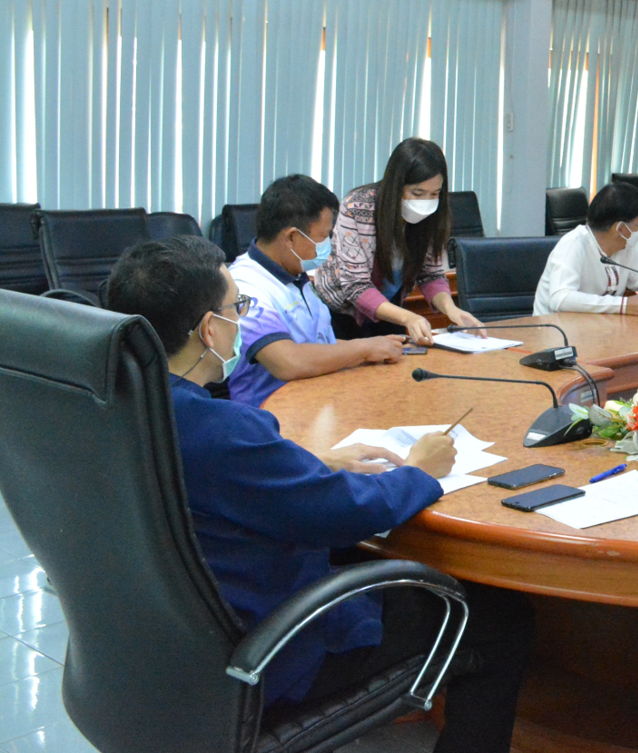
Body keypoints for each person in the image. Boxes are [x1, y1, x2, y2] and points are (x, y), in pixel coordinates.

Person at [104, 236, 534, 749]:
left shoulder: (112, 409)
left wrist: (315, 464)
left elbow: (224, 483)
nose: (242, 318)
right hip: (264, 654)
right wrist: (421, 470)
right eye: (237, 307)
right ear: (208, 329)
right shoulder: (219, 431)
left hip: (152, 659)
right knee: (497, 616)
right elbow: (346, 513)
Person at [225, 175, 406, 410]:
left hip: (317, 399)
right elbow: (288, 362)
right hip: (270, 413)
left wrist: (373, 346)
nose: (327, 245)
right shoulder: (246, 286)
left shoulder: (295, 274)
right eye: (323, 237)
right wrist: (362, 350)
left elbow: (318, 343)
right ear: (291, 237)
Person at [314, 138, 483, 345]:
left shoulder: (432, 215)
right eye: (417, 193)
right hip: (342, 313)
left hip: (390, 309)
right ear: (396, 186)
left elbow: (431, 275)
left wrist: (452, 310)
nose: (426, 202)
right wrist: (408, 317)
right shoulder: (358, 207)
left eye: (434, 194)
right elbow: (356, 286)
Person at [534, 181, 638, 315]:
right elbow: (560, 299)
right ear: (620, 228)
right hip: (555, 329)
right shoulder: (572, 245)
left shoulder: (625, 249)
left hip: (598, 327)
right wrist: (622, 305)